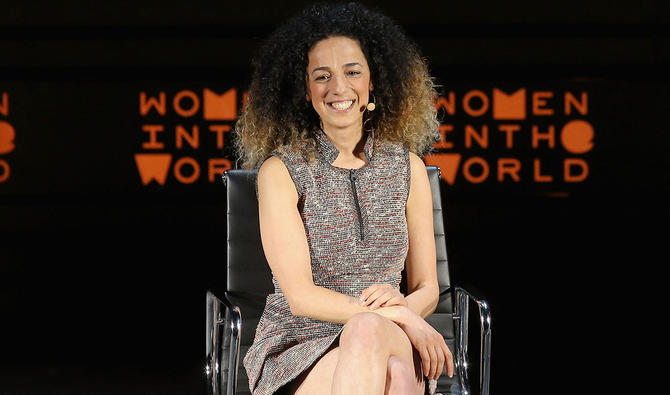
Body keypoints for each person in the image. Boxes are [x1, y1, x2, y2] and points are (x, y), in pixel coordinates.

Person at [234, 3, 453, 395]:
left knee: (370, 333)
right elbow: (299, 297)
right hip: (300, 345)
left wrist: (399, 314)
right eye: (322, 76)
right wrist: (401, 313)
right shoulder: (282, 171)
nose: (339, 88)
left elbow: (426, 286)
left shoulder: (408, 168)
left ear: (373, 81)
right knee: (397, 379)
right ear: (305, 90)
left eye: (352, 72)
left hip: (392, 332)